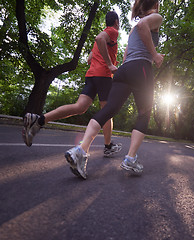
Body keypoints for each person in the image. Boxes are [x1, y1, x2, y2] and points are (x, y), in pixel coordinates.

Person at [65, 0, 164, 179]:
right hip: (141, 68)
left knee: (109, 109)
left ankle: (80, 150)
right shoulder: (155, 17)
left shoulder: (132, 29)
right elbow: (143, 26)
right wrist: (155, 54)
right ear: (155, 4)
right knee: (144, 113)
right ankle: (130, 159)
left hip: (124, 70)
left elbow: (126, 53)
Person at [22, 11, 122, 157]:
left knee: (79, 107)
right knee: (107, 111)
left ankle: (39, 119)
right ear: (116, 22)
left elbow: (89, 59)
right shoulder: (112, 31)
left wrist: (109, 59)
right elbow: (99, 38)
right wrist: (109, 64)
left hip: (91, 76)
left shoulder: (100, 41)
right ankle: (108, 146)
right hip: (103, 76)